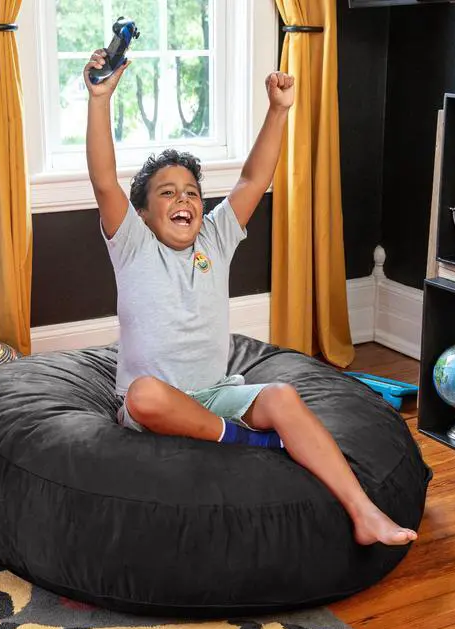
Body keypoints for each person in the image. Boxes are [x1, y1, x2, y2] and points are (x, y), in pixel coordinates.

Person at [83, 49, 417, 547]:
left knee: (282, 396)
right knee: (143, 394)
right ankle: (245, 441)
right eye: (168, 193)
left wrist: (278, 110)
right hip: (158, 407)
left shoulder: (215, 240)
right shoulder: (132, 244)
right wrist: (99, 100)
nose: (183, 199)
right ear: (143, 215)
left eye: (192, 192)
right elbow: (103, 180)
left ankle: (364, 512)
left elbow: (253, 180)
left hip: (217, 394)